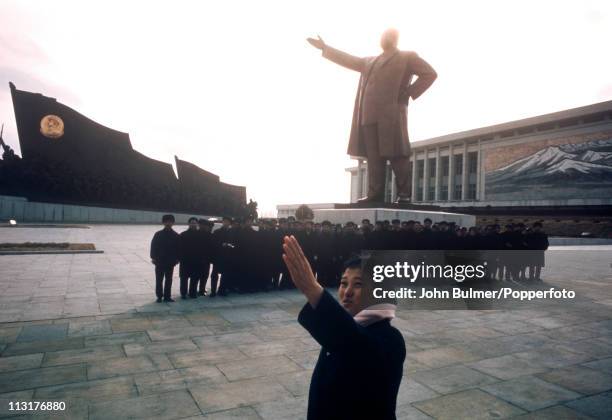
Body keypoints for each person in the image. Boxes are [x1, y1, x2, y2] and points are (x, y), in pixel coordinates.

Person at [282, 236, 405, 420]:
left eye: (358, 284)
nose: (347, 292)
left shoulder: (390, 339)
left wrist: (313, 291)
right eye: (343, 283)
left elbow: (356, 345)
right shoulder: (347, 327)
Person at [307, 29, 437, 204]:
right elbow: (349, 60)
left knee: (398, 154)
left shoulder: (407, 57)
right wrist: (325, 48)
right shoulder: (370, 61)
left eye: (388, 35)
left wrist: (408, 93)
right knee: (374, 158)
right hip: (369, 116)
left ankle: (404, 194)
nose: (384, 38)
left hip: (392, 115)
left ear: (395, 39)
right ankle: (375, 193)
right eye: (382, 35)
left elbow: (429, 74)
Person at [150, 214, 180, 302]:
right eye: (166, 221)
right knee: (159, 279)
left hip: (170, 261)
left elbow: (178, 248)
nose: (168, 223)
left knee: (169, 279)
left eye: (170, 221)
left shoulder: (176, 235)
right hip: (159, 260)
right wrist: (153, 257)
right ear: (163, 222)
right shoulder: (158, 234)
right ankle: (159, 296)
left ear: (173, 223)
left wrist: (177, 259)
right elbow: (153, 246)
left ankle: (167, 296)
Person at [179, 217, 202, 299]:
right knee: (184, 278)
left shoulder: (201, 235)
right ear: (188, 224)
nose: (193, 224)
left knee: (195, 278)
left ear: (197, 224)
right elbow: (179, 248)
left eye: (194, 223)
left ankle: (192, 293)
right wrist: (179, 258)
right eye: (191, 223)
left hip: (196, 260)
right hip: (185, 260)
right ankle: (183, 293)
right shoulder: (183, 235)